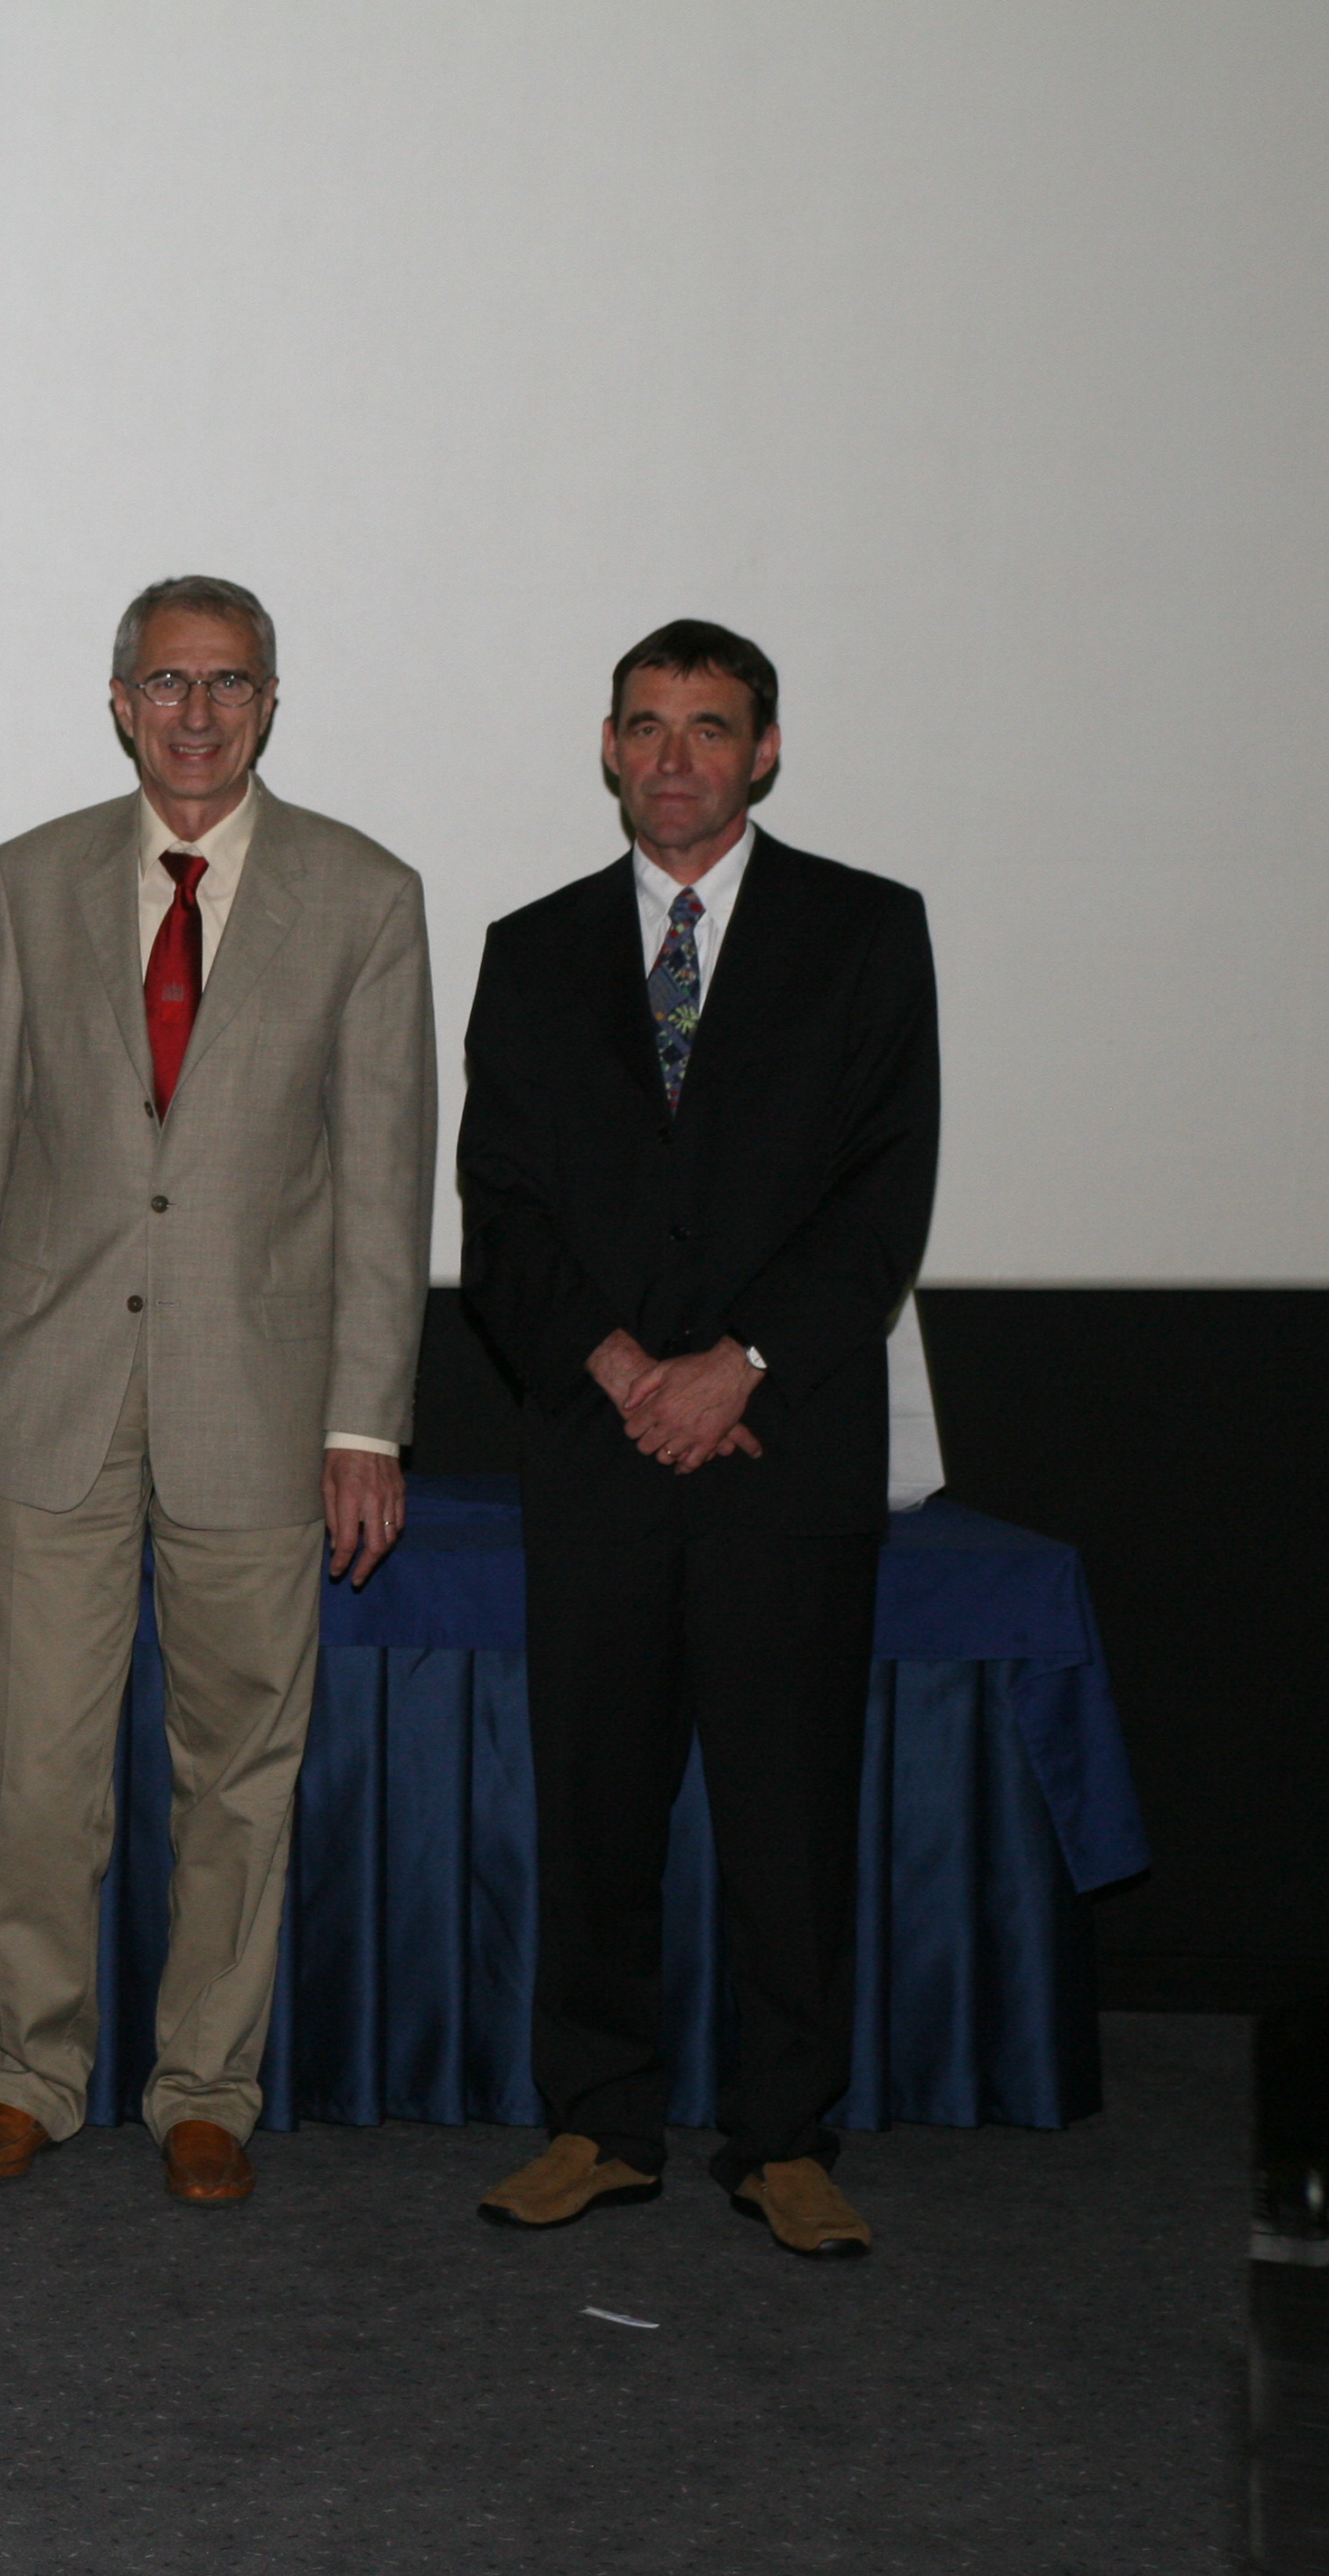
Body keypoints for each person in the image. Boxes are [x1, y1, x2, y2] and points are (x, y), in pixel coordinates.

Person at [0, 575, 434, 2206]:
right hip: (45, 1385)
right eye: (166, 683)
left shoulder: (366, 895)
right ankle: (28, 2074)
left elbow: (384, 1184)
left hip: (262, 1405)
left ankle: (207, 2087)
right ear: (120, 701)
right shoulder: (30, 877)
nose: (196, 714)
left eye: (228, 684)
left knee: (238, 1773)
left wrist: (365, 1422)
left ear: (270, 702)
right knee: (31, 1765)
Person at [459, 620, 937, 2260]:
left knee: (788, 1815)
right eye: (647, 726)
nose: (675, 758)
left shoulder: (866, 933)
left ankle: (785, 2138)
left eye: (710, 728)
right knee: (595, 1811)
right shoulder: (532, 950)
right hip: (597, 1453)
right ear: (608, 748)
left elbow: (882, 1198)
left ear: (765, 752)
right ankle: (602, 2124)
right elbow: (501, 1209)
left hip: (781, 1449)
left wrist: (738, 1368)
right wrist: (623, 1370)